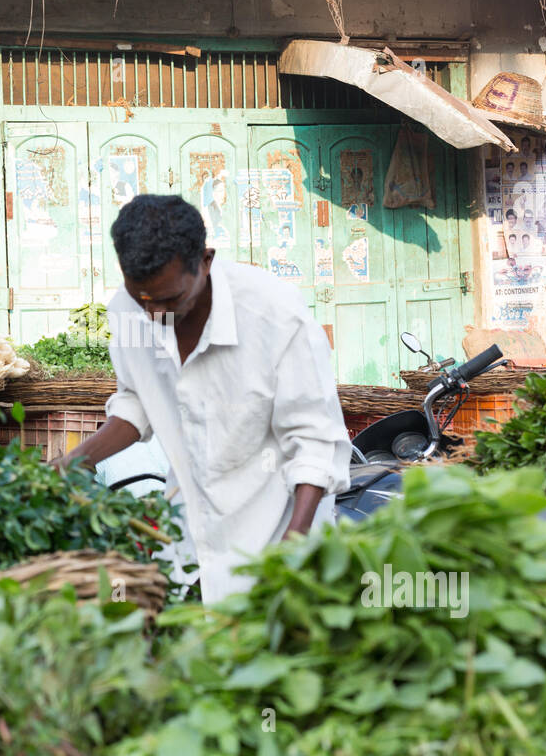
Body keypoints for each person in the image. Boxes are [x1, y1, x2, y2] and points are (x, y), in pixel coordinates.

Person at [56, 194, 350, 603]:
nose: (154, 312)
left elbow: (315, 444)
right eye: (142, 297)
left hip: (278, 527)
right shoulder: (127, 311)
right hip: (189, 529)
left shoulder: (275, 315)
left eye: (170, 299)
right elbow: (138, 402)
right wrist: (73, 460)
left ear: (206, 261)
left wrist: (293, 548)